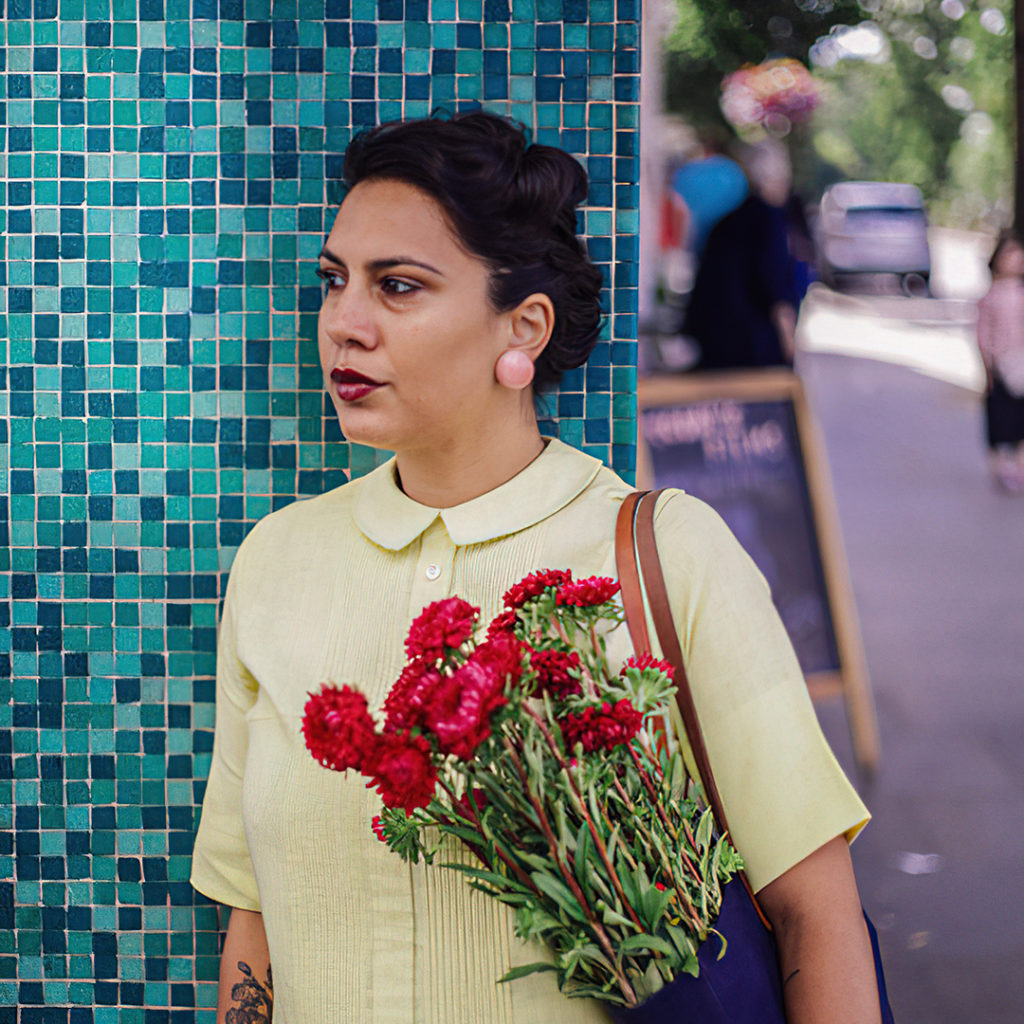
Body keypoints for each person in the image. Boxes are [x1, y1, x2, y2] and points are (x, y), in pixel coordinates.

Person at [190, 111, 881, 1023]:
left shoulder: (663, 554)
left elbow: (815, 914)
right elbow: (254, 923)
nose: (344, 323)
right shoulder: (278, 562)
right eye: (335, 280)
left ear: (523, 328)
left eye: (397, 286)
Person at [682, 141, 800, 372]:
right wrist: (788, 338)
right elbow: (773, 282)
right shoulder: (769, 219)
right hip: (751, 342)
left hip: (714, 337)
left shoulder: (730, 219)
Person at [976, 230, 1024, 492]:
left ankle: (1019, 464)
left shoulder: (1020, 293)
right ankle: (1001, 466)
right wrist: (989, 368)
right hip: (1002, 367)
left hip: (1021, 366)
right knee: (1001, 417)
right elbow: (983, 336)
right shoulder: (991, 296)